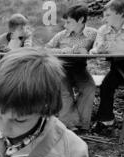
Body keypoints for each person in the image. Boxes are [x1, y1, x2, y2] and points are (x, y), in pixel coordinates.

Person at [45, 4, 97, 132]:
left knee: (89, 87)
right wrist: (63, 51)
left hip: (80, 69)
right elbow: (46, 49)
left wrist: (89, 51)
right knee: (64, 91)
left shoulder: (93, 34)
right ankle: (69, 125)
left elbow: (100, 49)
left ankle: (82, 124)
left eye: (68, 22)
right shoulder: (61, 35)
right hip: (61, 68)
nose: (65, 25)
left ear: (80, 20)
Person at [90, 0, 124, 131]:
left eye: (108, 15)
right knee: (106, 86)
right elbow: (94, 50)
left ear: (121, 14)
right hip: (117, 67)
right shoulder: (103, 30)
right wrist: (98, 49)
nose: (104, 19)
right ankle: (106, 121)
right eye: (104, 15)